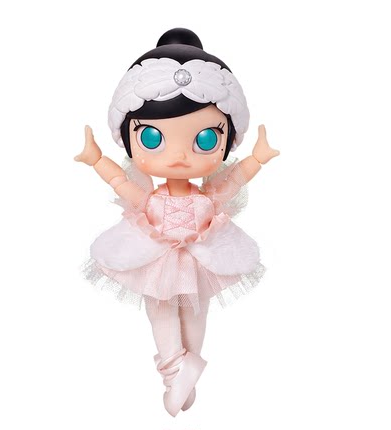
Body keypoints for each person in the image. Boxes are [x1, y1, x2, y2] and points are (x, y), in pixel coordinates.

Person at [74, 28, 279, 417]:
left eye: (205, 140)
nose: (180, 156)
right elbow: (120, 182)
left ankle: (190, 366)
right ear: (129, 139)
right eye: (152, 138)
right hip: (157, 264)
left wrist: (257, 158)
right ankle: (173, 369)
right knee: (161, 313)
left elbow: (234, 180)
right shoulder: (150, 197)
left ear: (226, 142)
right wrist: (96, 159)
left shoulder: (208, 195)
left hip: (200, 262)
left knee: (196, 313)